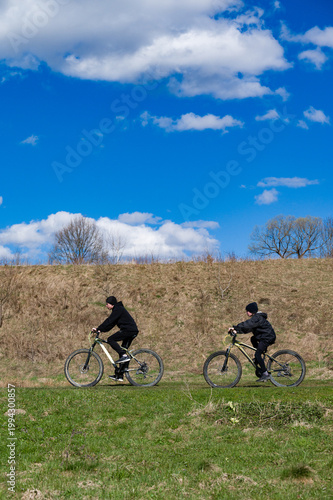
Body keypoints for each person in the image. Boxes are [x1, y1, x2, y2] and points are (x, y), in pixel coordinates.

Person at [92, 296, 139, 382]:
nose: (106, 306)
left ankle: (124, 356)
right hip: (131, 331)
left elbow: (109, 320)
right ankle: (119, 375)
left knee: (111, 339)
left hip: (129, 330)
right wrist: (100, 330)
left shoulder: (118, 309)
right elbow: (111, 324)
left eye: (107, 304)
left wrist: (99, 328)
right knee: (122, 350)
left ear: (112, 304)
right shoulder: (117, 310)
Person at [229, 302, 276, 382]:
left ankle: (265, 374)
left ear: (252, 311)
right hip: (264, 336)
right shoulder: (256, 318)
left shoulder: (257, 318)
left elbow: (247, 324)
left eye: (248, 311)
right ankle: (258, 359)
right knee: (253, 339)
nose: (247, 312)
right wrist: (236, 330)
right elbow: (247, 329)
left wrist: (235, 327)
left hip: (267, 337)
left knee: (257, 354)